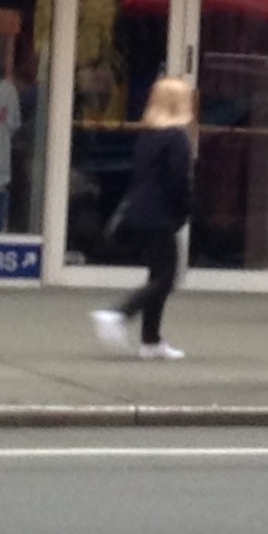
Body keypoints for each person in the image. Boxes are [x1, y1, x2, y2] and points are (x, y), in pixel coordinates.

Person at [90, 76, 195, 360]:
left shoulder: (149, 135)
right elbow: (178, 182)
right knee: (166, 278)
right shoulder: (176, 138)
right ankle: (119, 313)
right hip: (161, 214)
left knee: (157, 274)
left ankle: (151, 340)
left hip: (140, 210)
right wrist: (184, 210)